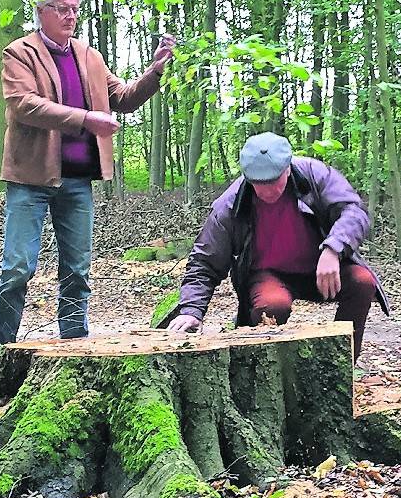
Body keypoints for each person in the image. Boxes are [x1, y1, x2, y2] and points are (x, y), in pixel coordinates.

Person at [0, 0, 175, 354]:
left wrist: (154, 71)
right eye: (62, 8)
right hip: (31, 178)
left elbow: (121, 98)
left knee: (77, 270)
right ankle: (0, 350)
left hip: (77, 180)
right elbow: (25, 105)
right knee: (17, 269)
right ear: (42, 12)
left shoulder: (89, 56)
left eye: (75, 9)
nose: (71, 16)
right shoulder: (19, 53)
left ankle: (75, 348)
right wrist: (86, 119)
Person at [166, 133, 387, 359]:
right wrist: (192, 311)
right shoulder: (230, 205)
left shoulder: (314, 174)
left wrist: (334, 248)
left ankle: (342, 362)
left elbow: (354, 211)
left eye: (274, 181)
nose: (268, 191)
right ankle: (264, 370)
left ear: (288, 169)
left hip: (322, 268)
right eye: (259, 185)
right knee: (272, 305)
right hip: (269, 275)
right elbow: (205, 262)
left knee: (362, 281)